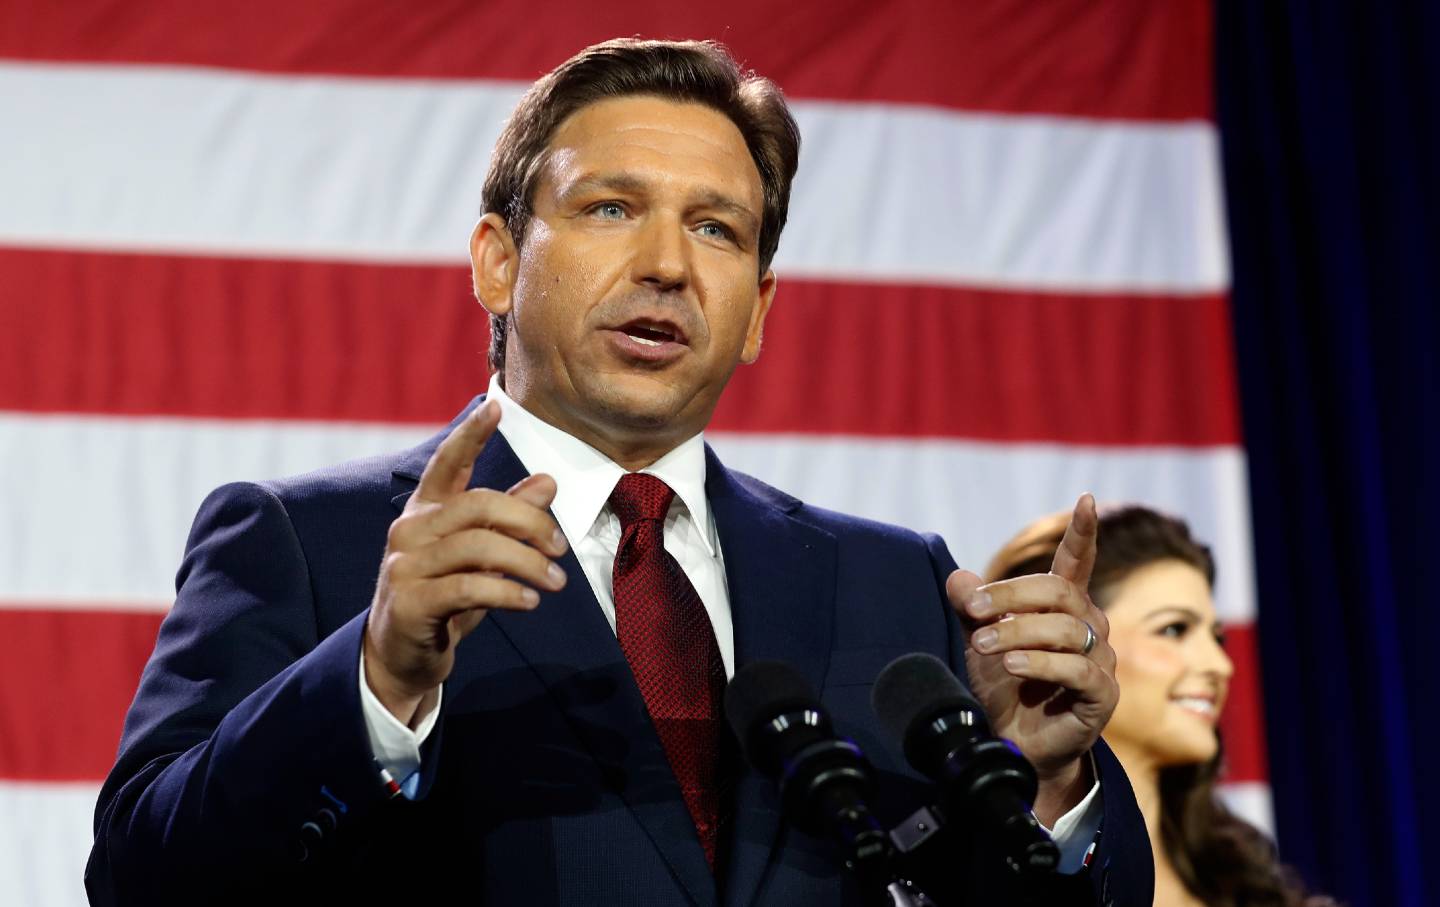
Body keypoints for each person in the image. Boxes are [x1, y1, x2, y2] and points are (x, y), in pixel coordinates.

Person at [86, 39, 1150, 905]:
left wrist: (1046, 782)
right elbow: (142, 879)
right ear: (497, 260)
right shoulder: (311, 545)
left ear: (760, 313)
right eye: (609, 209)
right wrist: (376, 681)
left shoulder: (897, 585)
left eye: (715, 228)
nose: (668, 265)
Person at [986, 506, 1337, 907]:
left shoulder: (1253, 887)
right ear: (1060, 644)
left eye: (1216, 637)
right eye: (1174, 629)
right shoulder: (969, 876)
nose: (1220, 665)